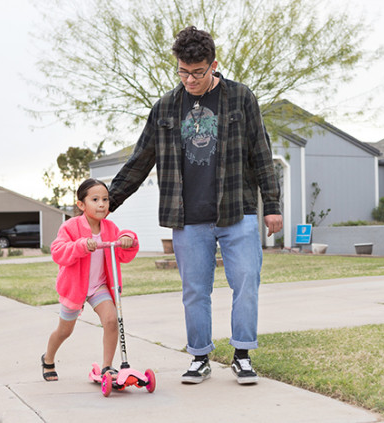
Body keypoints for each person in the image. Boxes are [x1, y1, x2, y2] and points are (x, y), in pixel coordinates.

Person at [108, 26, 282, 385]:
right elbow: (141, 159)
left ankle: (242, 355)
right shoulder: (165, 108)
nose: (190, 79)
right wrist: (109, 200)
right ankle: (199, 356)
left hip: (238, 210)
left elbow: (261, 153)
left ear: (214, 65)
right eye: (183, 71)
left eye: (198, 72)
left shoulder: (241, 98)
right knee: (194, 291)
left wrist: (273, 205)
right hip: (187, 217)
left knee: (247, 281)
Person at [41, 178, 139, 381]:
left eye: (105, 199)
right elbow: (58, 252)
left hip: (98, 286)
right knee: (64, 331)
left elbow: (123, 250)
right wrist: (81, 245)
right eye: (95, 199)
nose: (101, 204)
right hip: (75, 287)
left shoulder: (110, 228)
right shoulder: (70, 227)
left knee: (111, 320)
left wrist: (128, 239)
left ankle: (107, 367)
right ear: (81, 204)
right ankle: (48, 358)